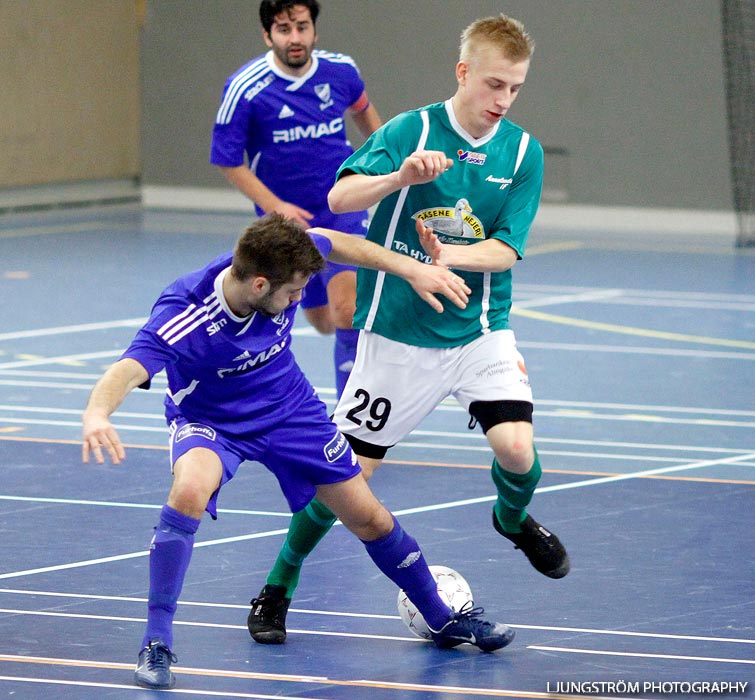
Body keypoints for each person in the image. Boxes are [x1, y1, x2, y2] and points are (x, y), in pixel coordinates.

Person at [81, 213, 515, 690]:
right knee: (188, 491)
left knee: (369, 518)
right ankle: (156, 642)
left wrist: (410, 269)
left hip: (291, 410)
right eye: (292, 293)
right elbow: (125, 369)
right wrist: (97, 416)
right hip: (212, 422)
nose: (300, 300)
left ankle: (441, 619)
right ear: (260, 284)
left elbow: (344, 244)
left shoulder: (287, 252)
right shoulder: (184, 313)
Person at [248, 13, 570, 646]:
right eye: (493, 85)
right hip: (394, 341)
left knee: (517, 451)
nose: (503, 101)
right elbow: (339, 202)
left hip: (479, 332)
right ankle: (278, 587)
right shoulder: (410, 129)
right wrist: (401, 179)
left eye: (515, 89)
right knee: (346, 482)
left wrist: (445, 258)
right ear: (463, 72)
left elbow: (506, 250)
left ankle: (512, 520)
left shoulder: (523, 153)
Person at [210, 0, 382, 398]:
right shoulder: (245, 89)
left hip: (342, 204)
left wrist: (381, 163)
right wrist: (276, 206)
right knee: (322, 319)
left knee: (346, 311)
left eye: (302, 27)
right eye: (284, 29)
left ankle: (349, 423)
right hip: (287, 220)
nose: (295, 38)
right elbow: (227, 160)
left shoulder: (341, 70)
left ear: (314, 31)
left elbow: (364, 112)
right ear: (268, 35)